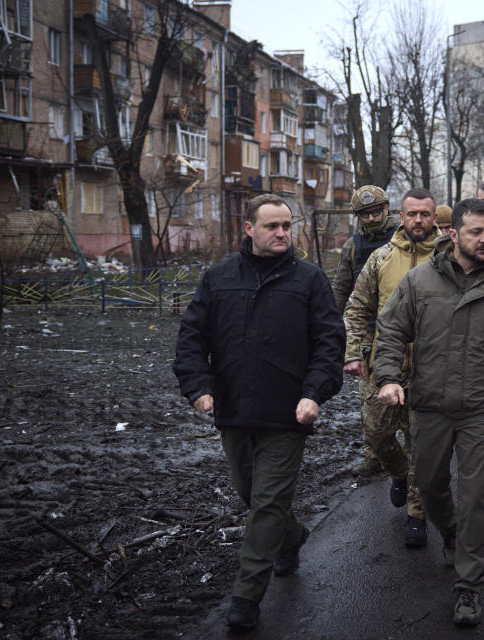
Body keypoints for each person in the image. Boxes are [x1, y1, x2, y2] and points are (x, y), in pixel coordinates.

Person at [174, 194, 344, 630]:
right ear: (248, 229)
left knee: (266, 504)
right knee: (253, 495)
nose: (282, 233)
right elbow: (192, 338)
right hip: (233, 410)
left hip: (288, 413)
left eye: (287, 225)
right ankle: (293, 535)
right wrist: (198, 387)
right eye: (272, 226)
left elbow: (329, 343)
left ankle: (246, 597)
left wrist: (314, 394)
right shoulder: (218, 278)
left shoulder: (309, 281)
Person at [372, 198, 484, 627]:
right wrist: (388, 377)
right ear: (454, 234)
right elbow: (391, 330)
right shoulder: (420, 280)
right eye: (476, 232)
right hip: (429, 406)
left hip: (482, 410)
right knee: (428, 487)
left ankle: (469, 586)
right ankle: (449, 532)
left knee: (477, 499)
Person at [343, 188, 440, 548]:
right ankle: (398, 474)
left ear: (433, 217)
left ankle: (417, 515)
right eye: (411, 214)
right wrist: (355, 352)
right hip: (383, 366)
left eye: (425, 214)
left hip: (432, 371)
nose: (418, 220)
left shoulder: (449, 258)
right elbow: (356, 309)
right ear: (401, 215)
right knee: (378, 435)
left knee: (422, 445)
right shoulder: (381, 257)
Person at [332, 185, 399, 478]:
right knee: (368, 398)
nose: (372, 218)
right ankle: (373, 453)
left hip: (402, 330)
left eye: (377, 211)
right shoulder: (353, 246)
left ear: (387, 209)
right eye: (365, 214)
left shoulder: (401, 238)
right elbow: (341, 288)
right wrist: (331, 325)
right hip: (367, 331)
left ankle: (410, 456)